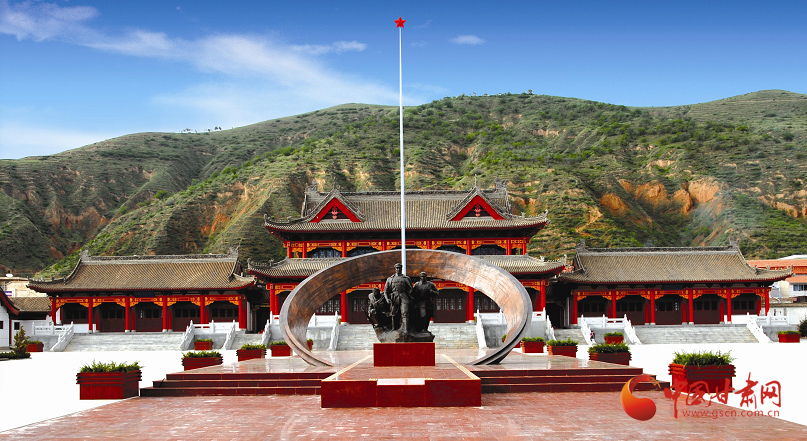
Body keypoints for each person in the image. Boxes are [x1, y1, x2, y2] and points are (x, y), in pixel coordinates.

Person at [383, 263, 413, 332]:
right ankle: (394, 328)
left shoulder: (406, 278)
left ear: (401, 269)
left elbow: (411, 289)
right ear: (395, 269)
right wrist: (387, 299)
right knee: (393, 313)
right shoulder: (390, 279)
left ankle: (405, 329)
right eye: (397, 268)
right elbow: (385, 291)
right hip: (394, 297)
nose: (398, 269)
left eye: (399, 268)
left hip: (404, 296)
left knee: (405, 312)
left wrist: (410, 297)